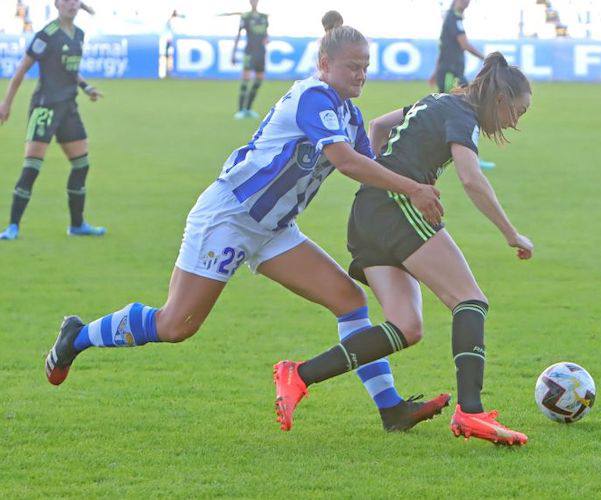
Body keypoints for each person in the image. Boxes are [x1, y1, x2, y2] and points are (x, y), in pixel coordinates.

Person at [43, 25, 450, 432]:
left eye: (365, 67)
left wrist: (422, 119)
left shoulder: (348, 112)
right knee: (175, 325)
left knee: (349, 300)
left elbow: (372, 166)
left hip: (274, 228)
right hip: (229, 218)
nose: (361, 74)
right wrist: (414, 189)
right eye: (352, 66)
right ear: (325, 64)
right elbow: (346, 161)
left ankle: (391, 409)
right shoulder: (313, 96)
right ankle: (77, 336)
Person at [274, 52, 534, 446]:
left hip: (368, 213)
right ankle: (472, 412)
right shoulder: (463, 116)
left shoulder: (437, 101)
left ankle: (299, 375)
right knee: (470, 300)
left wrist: (382, 174)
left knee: (406, 327)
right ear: (499, 99)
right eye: (518, 110)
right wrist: (511, 233)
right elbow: (471, 179)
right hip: (396, 208)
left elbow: (379, 125)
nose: (515, 121)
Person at [0, 0, 104, 241]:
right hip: (45, 107)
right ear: (56, 5)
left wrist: (86, 87)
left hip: (69, 107)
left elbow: (69, 69)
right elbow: (21, 70)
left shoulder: (79, 34)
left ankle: (77, 225)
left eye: (75, 0)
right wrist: (6, 103)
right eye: (66, 0)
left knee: (81, 165)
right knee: (32, 167)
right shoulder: (46, 34)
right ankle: (12, 227)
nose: (71, 4)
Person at [429, 0, 495, 170]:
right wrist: (486, 58)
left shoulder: (452, 18)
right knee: (464, 109)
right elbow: (464, 44)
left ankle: (448, 152)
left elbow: (443, 47)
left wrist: (436, 72)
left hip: (451, 72)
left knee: (450, 110)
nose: (468, 3)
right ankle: (468, 157)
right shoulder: (454, 19)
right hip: (452, 73)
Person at [231, 0, 268, 120]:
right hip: (249, 52)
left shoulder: (264, 17)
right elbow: (238, 35)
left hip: (261, 52)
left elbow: (266, 34)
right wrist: (233, 53)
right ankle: (240, 110)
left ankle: (249, 108)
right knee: (246, 79)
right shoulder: (245, 17)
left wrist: (266, 39)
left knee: (258, 80)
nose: (254, 2)